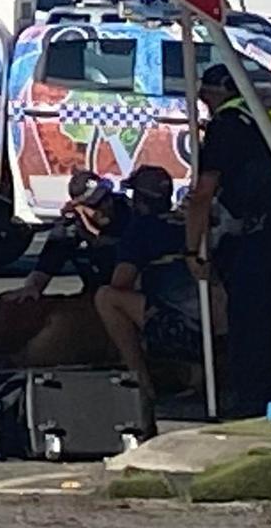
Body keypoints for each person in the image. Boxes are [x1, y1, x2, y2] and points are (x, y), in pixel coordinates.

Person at [185, 64, 271, 417]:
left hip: (261, 233)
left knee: (250, 324)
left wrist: (192, 249)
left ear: (218, 93)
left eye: (206, 97)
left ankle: (251, 409)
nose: (204, 104)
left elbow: (203, 192)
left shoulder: (227, 124)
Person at [93, 165, 205, 399]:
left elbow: (120, 282)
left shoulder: (141, 230)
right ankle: (196, 374)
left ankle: (141, 383)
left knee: (107, 298)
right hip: (220, 323)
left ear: (140, 200)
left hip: (183, 331)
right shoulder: (190, 224)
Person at [8, 169, 133, 301]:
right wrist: (32, 287)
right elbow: (44, 267)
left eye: (106, 198)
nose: (104, 207)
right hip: (95, 296)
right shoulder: (69, 230)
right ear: (77, 208)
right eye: (94, 204)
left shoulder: (131, 215)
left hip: (129, 295)